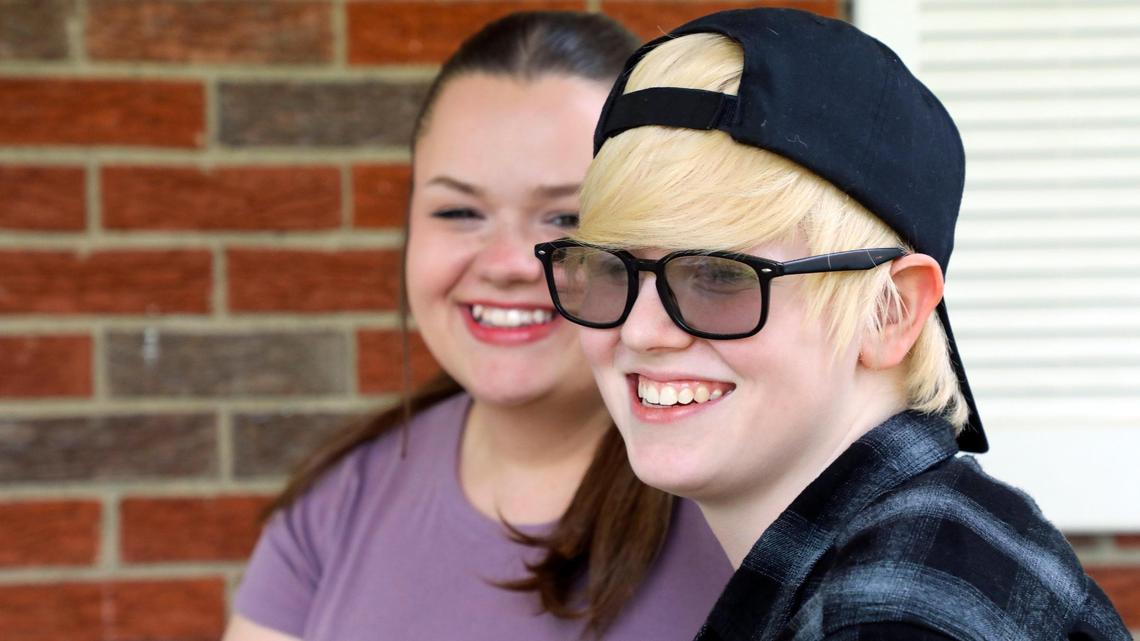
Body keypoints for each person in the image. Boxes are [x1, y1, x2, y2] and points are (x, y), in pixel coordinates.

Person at [536, 8, 1131, 640]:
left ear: (890, 311)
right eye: (606, 267)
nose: (641, 331)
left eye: (719, 276)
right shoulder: (912, 556)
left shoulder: (897, 619)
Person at [222, 11, 732, 641]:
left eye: (566, 217)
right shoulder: (337, 502)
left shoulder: (745, 515)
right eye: (459, 210)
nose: (510, 264)